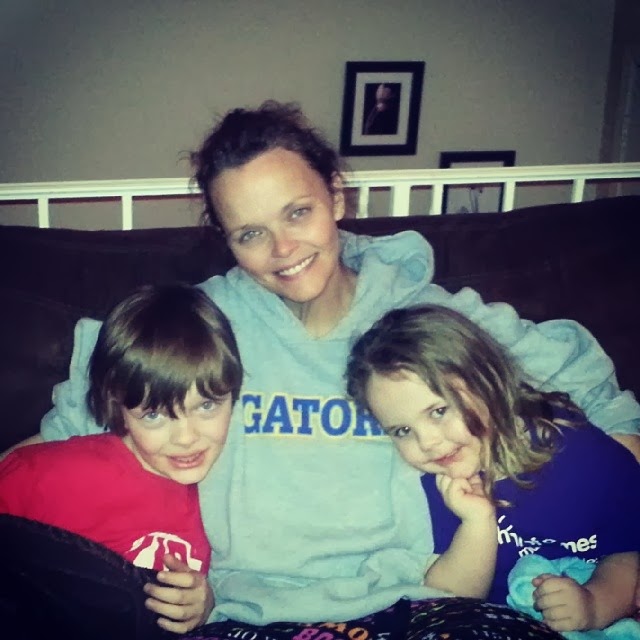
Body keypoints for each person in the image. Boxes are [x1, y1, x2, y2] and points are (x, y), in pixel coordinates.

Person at [14, 101, 640, 637]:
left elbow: (566, 362)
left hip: (414, 599)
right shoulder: (203, 323)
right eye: (250, 233)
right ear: (225, 239)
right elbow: (82, 418)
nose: (283, 250)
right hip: (242, 610)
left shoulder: (418, 313)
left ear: (336, 196)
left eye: (297, 213)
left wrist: (625, 443)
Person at [345, 304, 640, 635]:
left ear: (488, 379)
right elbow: (450, 603)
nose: (427, 442)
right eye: (402, 430)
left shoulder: (580, 454)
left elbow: (628, 551)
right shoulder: (434, 484)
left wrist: (595, 604)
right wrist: (477, 522)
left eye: (439, 411)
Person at [0, 283, 243, 635]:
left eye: (206, 406)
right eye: (154, 415)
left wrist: (204, 605)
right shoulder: (62, 472)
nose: (186, 438)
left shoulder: (225, 501)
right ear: (119, 408)